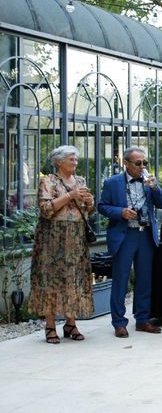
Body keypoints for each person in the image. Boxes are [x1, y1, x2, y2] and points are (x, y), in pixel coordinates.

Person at [29, 145, 95, 343]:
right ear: (59, 161)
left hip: (76, 236)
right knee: (51, 279)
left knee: (73, 279)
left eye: (76, 159)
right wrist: (70, 196)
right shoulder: (48, 181)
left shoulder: (80, 181)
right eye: (71, 159)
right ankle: (50, 326)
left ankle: (71, 324)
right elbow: (46, 209)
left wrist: (89, 202)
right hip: (52, 237)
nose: (75, 163)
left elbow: (87, 210)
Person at [99, 146, 162, 338]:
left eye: (145, 162)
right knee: (120, 279)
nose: (143, 166)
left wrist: (154, 187)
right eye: (138, 163)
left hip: (145, 234)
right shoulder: (112, 183)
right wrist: (120, 212)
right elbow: (102, 206)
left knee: (145, 279)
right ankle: (119, 322)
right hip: (125, 233)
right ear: (126, 163)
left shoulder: (149, 181)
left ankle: (143, 319)